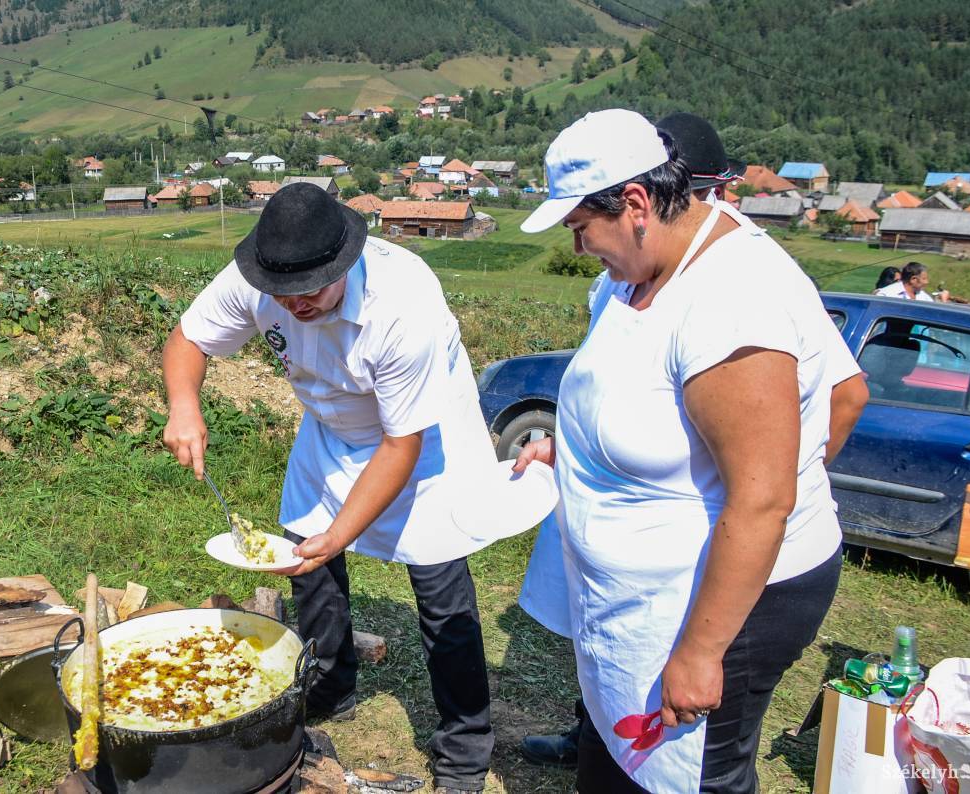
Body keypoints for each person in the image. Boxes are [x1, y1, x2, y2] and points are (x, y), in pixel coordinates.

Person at [513, 109, 866, 793]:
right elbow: (646, 403)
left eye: (580, 228)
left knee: (691, 775)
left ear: (637, 204)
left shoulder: (732, 301)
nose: (580, 248)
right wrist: (578, 453)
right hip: (645, 593)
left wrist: (703, 652)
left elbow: (762, 498)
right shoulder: (646, 267)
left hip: (726, 604)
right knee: (619, 764)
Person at [161, 183, 495, 794]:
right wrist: (184, 405)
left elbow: (401, 447)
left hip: (421, 440)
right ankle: (333, 682)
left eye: (311, 289)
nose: (295, 303)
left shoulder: (403, 305)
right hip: (330, 428)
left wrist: (339, 533)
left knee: (441, 592)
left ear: (344, 263)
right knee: (306, 565)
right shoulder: (261, 278)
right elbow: (188, 339)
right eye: (281, 292)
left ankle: (464, 750)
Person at [875, 261, 947, 302]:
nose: (927, 282)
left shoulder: (924, 297)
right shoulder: (886, 294)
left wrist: (943, 301)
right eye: (924, 279)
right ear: (913, 279)